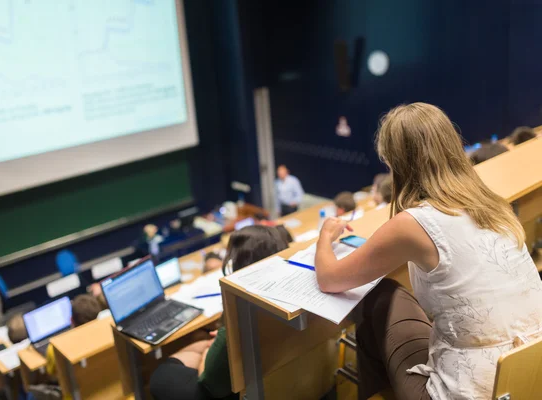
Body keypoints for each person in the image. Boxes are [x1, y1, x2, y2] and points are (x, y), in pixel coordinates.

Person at [314, 103, 542, 400]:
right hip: (530, 377)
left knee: (378, 298)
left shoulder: (412, 224)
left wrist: (324, 237)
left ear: (395, 163)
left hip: (472, 391)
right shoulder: (493, 205)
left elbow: (329, 279)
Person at [149, 226, 288, 400]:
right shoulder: (284, 298)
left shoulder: (237, 319)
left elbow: (211, 386)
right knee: (199, 342)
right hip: (274, 379)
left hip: (221, 390)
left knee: (161, 373)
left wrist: (207, 354)